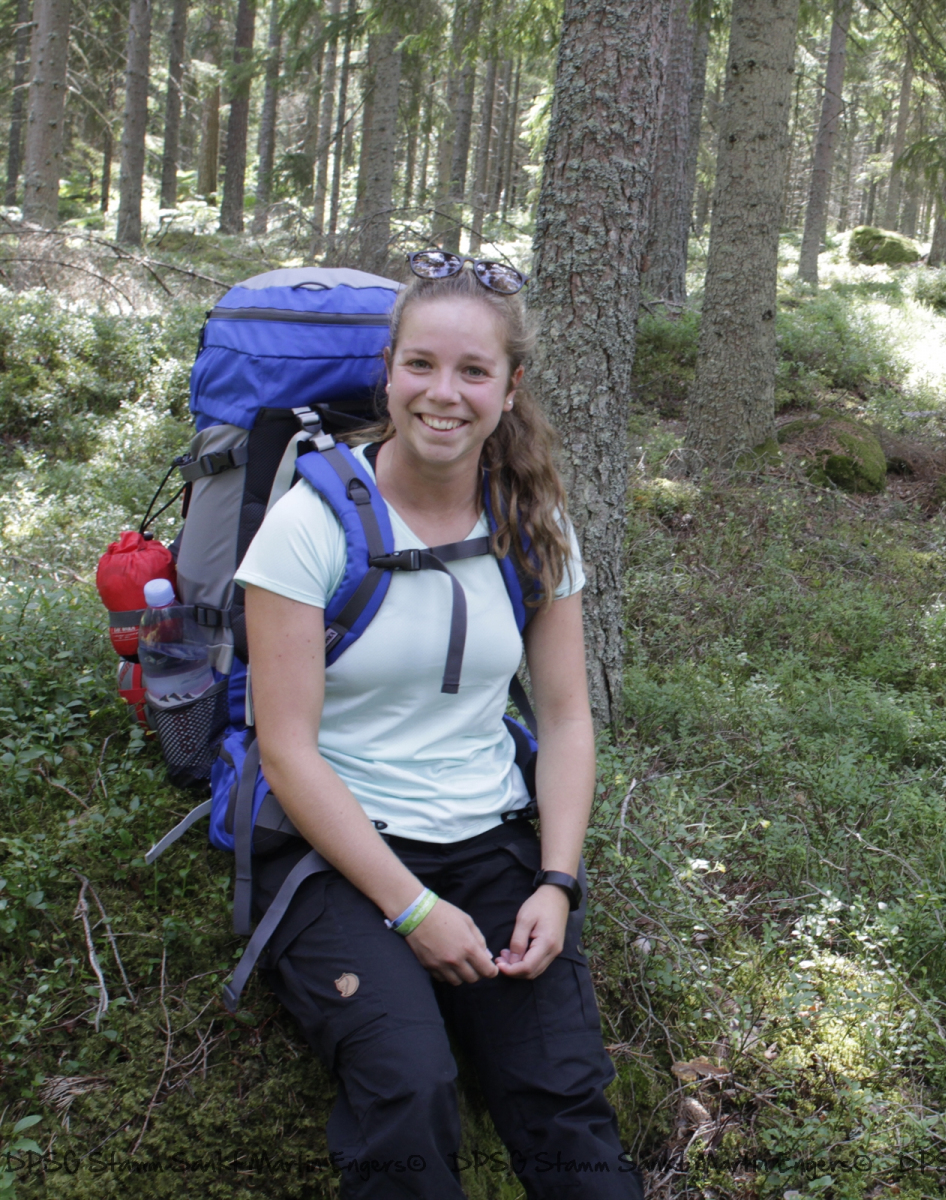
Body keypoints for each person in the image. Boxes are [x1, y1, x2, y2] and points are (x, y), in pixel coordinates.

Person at [236, 251, 642, 1199]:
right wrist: (413, 911)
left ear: (511, 386)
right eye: (420, 364)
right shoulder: (309, 524)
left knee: (565, 1100)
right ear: (388, 372)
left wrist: (557, 883)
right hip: (337, 854)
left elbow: (566, 717)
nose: (443, 393)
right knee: (410, 1089)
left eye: (473, 371)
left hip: (491, 844)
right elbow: (286, 751)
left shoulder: (532, 521)